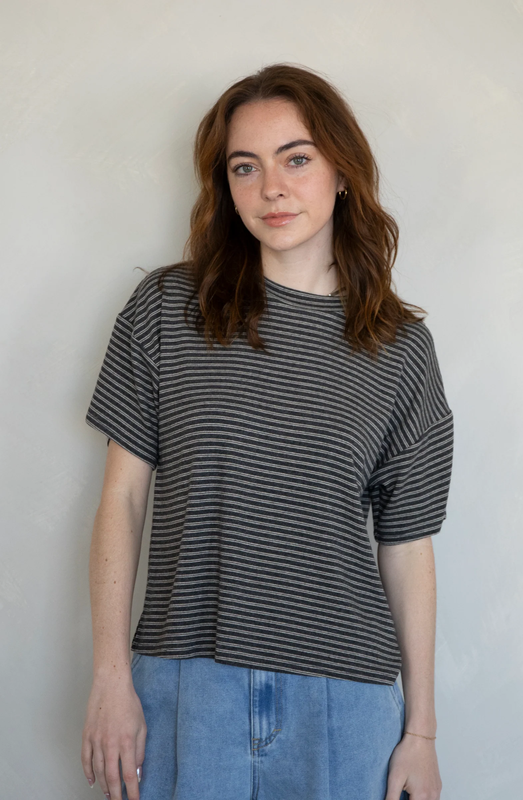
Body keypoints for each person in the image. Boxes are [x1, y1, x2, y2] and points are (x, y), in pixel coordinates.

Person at [81, 63, 453, 800]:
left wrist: (421, 731)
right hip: (187, 686)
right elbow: (121, 499)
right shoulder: (168, 308)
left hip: (345, 699)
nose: (271, 188)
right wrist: (110, 678)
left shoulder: (400, 349)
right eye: (244, 167)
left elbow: (407, 546)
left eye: (296, 159)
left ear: (342, 172)